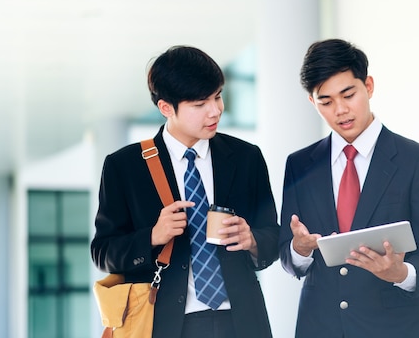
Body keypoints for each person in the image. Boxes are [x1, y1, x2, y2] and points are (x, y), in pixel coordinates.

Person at [91, 45, 279, 338]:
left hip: (242, 323)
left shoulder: (246, 158)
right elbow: (103, 252)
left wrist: (252, 239)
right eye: (200, 104)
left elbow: (273, 236)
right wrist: (153, 236)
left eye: (217, 96)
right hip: (167, 325)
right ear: (166, 107)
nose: (215, 110)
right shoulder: (125, 167)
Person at [279, 38, 419, 337]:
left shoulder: (416, 160)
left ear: (368, 86)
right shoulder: (300, 164)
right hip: (320, 327)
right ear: (312, 102)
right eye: (326, 101)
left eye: (348, 94)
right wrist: (300, 249)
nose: (341, 110)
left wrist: (401, 273)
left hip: (394, 328)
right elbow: (289, 258)